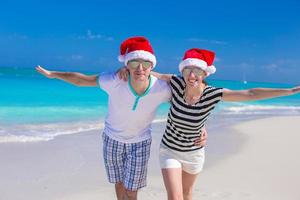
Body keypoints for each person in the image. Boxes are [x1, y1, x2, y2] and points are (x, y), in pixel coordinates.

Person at [35, 36, 207, 200]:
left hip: (140, 143)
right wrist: (53, 74)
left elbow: (184, 106)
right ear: (127, 65)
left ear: (151, 66)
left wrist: (201, 129)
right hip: (112, 140)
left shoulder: (162, 89)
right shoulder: (114, 80)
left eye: (145, 63)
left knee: (131, 192)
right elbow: (82, 80)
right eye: (134, 62)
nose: (140, 68)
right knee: (119, 185)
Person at [143, 48, 299, 200]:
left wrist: (290, 91)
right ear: (181, 71)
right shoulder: (176, 83)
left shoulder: (212, 94)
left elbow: (250, 93)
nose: (191, 75)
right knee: (175, 197)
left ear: (204, 73)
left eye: (197, 71)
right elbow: (151, 75)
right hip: (169, 150)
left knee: (187, 193)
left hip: (193, 153)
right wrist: (129, 68)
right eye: (187, 70)